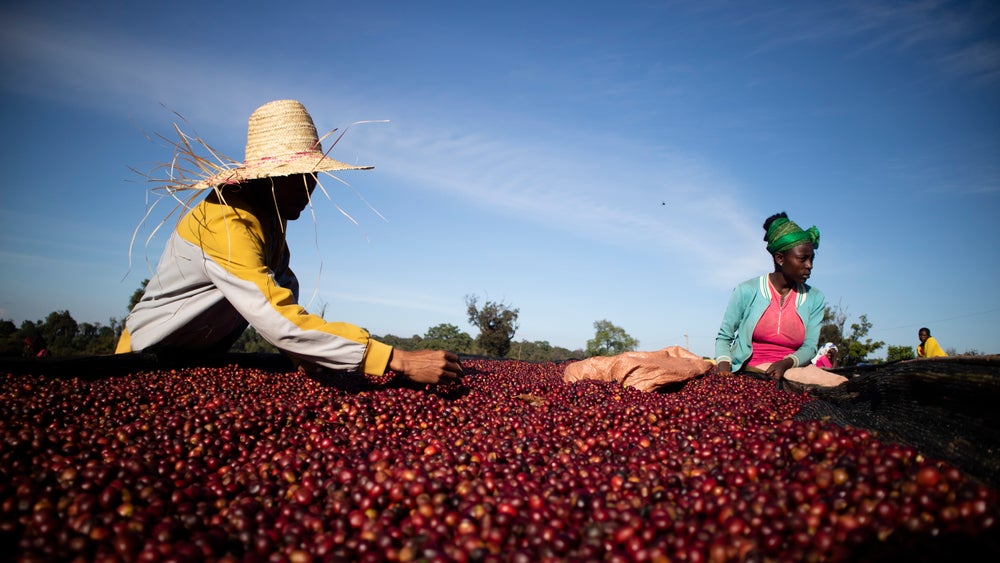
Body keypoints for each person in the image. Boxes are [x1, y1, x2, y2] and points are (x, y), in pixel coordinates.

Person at [117, 100, 462, 384]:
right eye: (296, 177)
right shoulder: (227, 222)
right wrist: (398, 359)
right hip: (143, 360)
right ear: (267, 179)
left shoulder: (268, 220)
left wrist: (306, 355)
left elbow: (283, 289)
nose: (309, 188)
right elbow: (275, 316)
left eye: (313, 176)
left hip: (195, 363)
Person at [715, 212, 845, 387]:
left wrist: (786, 363)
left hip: (792, 371)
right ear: (780, 258)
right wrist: (724, 368)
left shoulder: (815, 298)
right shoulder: (746, 290)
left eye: (812, 259)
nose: (810, 265)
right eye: (803, 259)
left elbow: (810, 347)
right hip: (749, 372)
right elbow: (724, 337)